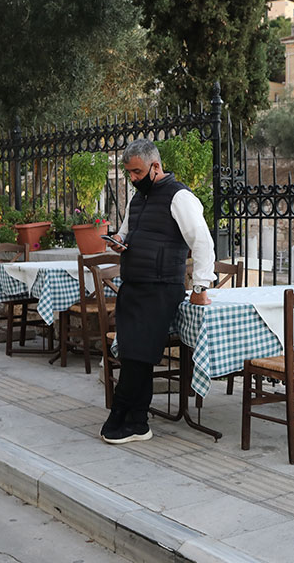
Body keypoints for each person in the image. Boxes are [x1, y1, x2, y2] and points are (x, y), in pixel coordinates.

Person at [100, 138, 216, 444]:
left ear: (155, 166)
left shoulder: (180, 197)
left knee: (139, 354)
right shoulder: (137, 199)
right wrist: (117, 241)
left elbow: (202, 242)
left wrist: (201, 286)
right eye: (129, 173)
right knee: (132, 354)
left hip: (162, 289)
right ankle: (137, 421)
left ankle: (124, 416)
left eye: (137, 172)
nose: (133, 178)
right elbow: (126, 233)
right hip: (133, 287)